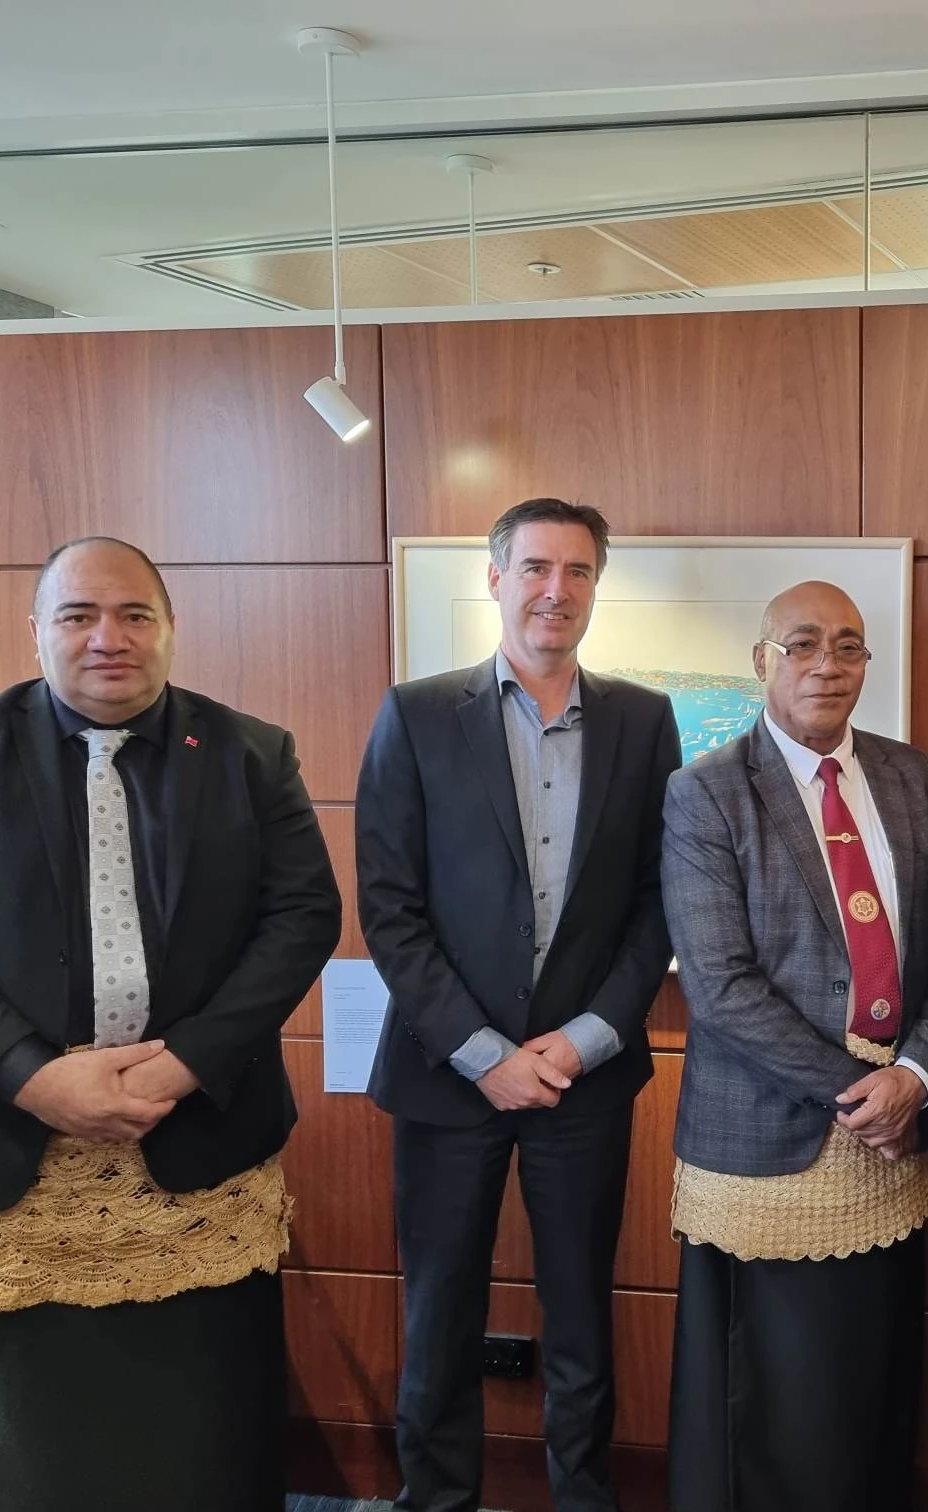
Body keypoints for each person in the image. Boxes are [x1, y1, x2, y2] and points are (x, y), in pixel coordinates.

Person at [0, 536, 341, 1512]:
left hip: (192, 1137)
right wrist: (36, 1076)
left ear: (169, 632)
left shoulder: (253, 753)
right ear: (36, 633)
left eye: (134, 616)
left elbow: (303, 919)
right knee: (3, 1452)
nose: (107, 638)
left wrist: (187, 1065)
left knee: (190, 1442)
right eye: (78, 616)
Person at [356, 498, 681, 1512]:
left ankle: (581, 1495)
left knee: (582, 1313)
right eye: (536, 567)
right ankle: (435, 1500)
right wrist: (486, 1051)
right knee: (439, 1311)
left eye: (578, 571)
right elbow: (389, 910)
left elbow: (655, 905)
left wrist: (581, 1045)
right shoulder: (414, 714)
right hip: (447, 1077)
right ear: (494, 580)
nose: (556, 589)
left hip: (584, 1084)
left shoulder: (642, 719)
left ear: (596, 587)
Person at [660, 580, 928, 1512]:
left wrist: (915, 1074)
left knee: (870, 1383)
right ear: (761, 662)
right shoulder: (706, 792)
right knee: (772, 1403)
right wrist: (859, 1090)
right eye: (801, 645)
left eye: (848, 646)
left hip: (897, 1136)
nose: (826, 666)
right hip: (768, 1143)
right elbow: (719, 986)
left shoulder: (911, 776)